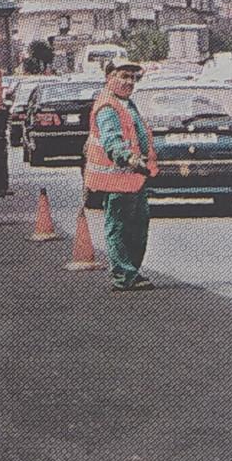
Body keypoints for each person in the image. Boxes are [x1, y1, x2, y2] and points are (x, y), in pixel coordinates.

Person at [83, 61, 159, 292]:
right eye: (123, 76)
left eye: (133, 78)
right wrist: (128, 158)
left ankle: (131, 272)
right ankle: (123, 275)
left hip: (134, 178)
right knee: (119, 226)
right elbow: (111, 140)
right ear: (109, 77)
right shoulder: (108, 106)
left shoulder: (124, 103)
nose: (129, 82)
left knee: (137, 227)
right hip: (118, 177)